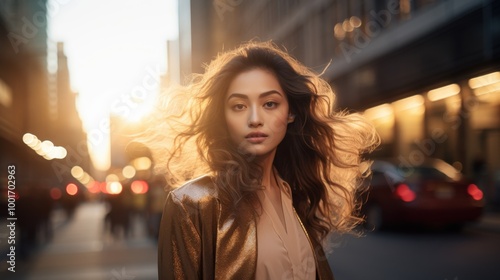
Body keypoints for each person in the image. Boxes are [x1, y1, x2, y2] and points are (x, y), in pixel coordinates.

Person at [153, 41, 379, 279]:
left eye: (270, 104)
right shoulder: (192, 204)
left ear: (290, 112)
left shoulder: (295, 195)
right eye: (239, 106)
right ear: (222, 117)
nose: (254, 119)